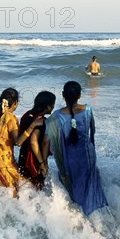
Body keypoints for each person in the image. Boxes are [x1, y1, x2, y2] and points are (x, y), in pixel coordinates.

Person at [47, 81, 107, 215]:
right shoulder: (88, 110)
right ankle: (97, 213)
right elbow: (92, 132)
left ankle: (77, 215)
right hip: (87, 154)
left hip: (70, 158)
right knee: (90, 185)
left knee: (75, 187)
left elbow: (48, 138)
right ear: (79, 95)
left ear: (63, 95)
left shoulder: (56, 117)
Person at [0, 88, 43, 197]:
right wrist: (33, 125)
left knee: (1, 194)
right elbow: (18, 142)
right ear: (16, 103)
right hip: (5, 164)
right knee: (19, 192)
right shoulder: (10, 118)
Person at [18, 91, 56, 189]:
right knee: (36, 188)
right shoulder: (40, 121)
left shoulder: (27, 115)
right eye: (52, 105)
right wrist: (42, 164)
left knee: (23, 187)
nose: (53, 107)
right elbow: (34, 141)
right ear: (47, 107)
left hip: (22, 155)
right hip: (32, 159)